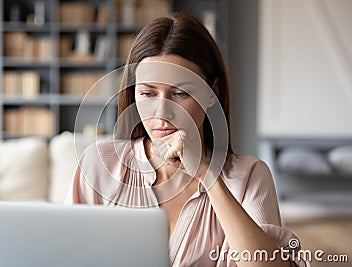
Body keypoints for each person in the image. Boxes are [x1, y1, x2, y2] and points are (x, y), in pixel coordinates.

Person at [66, 13, 311, 267]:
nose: (161, 112)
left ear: (211, 95)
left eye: (180, 93)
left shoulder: (250, 176)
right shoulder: (98, 164)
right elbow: (64, 254)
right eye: (148, 93)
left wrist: (207, 172)